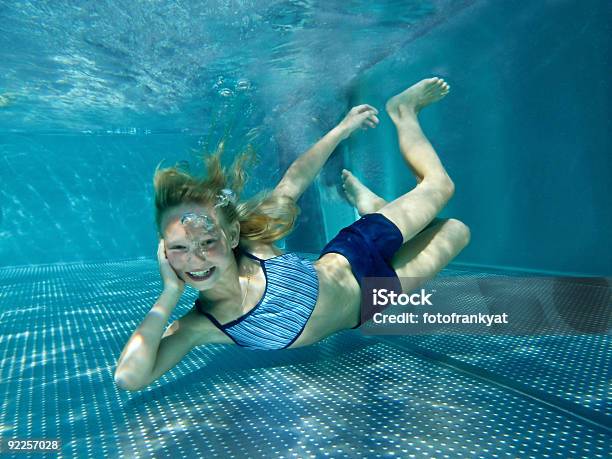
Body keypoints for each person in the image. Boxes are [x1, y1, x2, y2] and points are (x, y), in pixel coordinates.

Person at [114, 77, 470, 391]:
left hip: (357, 251)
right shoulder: (203, 325)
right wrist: (170, 292)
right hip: (371, 301)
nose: (197, 259)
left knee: (441, 186)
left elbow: (294, 181)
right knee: (456, 229)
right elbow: (130, 377)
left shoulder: (254, 245)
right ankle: (373, 205)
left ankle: (403, 111)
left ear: (232, 235)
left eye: (208, 242)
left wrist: (341, 129)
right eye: (180, 248)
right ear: (164, 252)